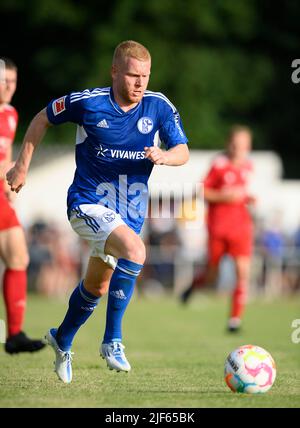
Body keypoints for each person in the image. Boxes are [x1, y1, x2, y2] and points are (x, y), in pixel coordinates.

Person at [6, 41, 189, 383]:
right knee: (136, 251)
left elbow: (182, 150)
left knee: (97, 287)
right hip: (87, 204)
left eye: (145, 76)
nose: (140, 83)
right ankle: (113, 341)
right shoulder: (89, 103)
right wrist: (21, 166)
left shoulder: (158, 107)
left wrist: (166, 157)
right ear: (115, 71)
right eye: (133, 75)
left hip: (127, 216)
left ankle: (62, 337)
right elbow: (43, 118)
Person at [180, 126, 255, 333]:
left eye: (243, 145)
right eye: (235, 144)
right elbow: (202, 191)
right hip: (218, 228)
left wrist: (249, 198)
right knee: (212, 275)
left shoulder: (249, 167)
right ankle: (194, 287)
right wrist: (225, 196)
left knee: (243, 272)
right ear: (229, 144)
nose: (238, 148)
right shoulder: (219, 165)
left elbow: (242, 194)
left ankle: (234, 320)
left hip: (241, 227)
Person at [0, 57, 45, 353]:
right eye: (3, 80)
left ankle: (15, 334)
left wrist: (9, 185)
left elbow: (4, 156)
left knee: (18, 257)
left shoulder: (11, 115)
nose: (8, 87)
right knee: (17, 257)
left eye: (13, 81)